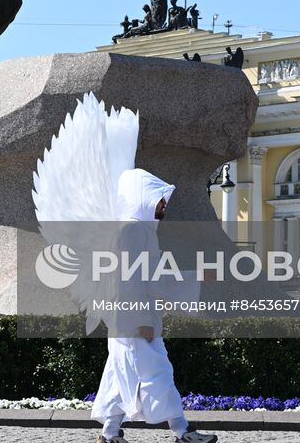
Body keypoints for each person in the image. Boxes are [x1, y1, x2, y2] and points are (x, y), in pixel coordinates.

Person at [92, 169, 217, 443]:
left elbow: (153, 276)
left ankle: (109, 434)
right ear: (142, 197)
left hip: (128, 321)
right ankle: (183, 432)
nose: (164, 205)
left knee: (121, 377)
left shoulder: (137, 230)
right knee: (157, 372)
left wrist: (194, 275)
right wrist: (141, 320)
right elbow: (128, 280)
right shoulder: (132, 231)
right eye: (159, 198)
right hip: (135, 322)